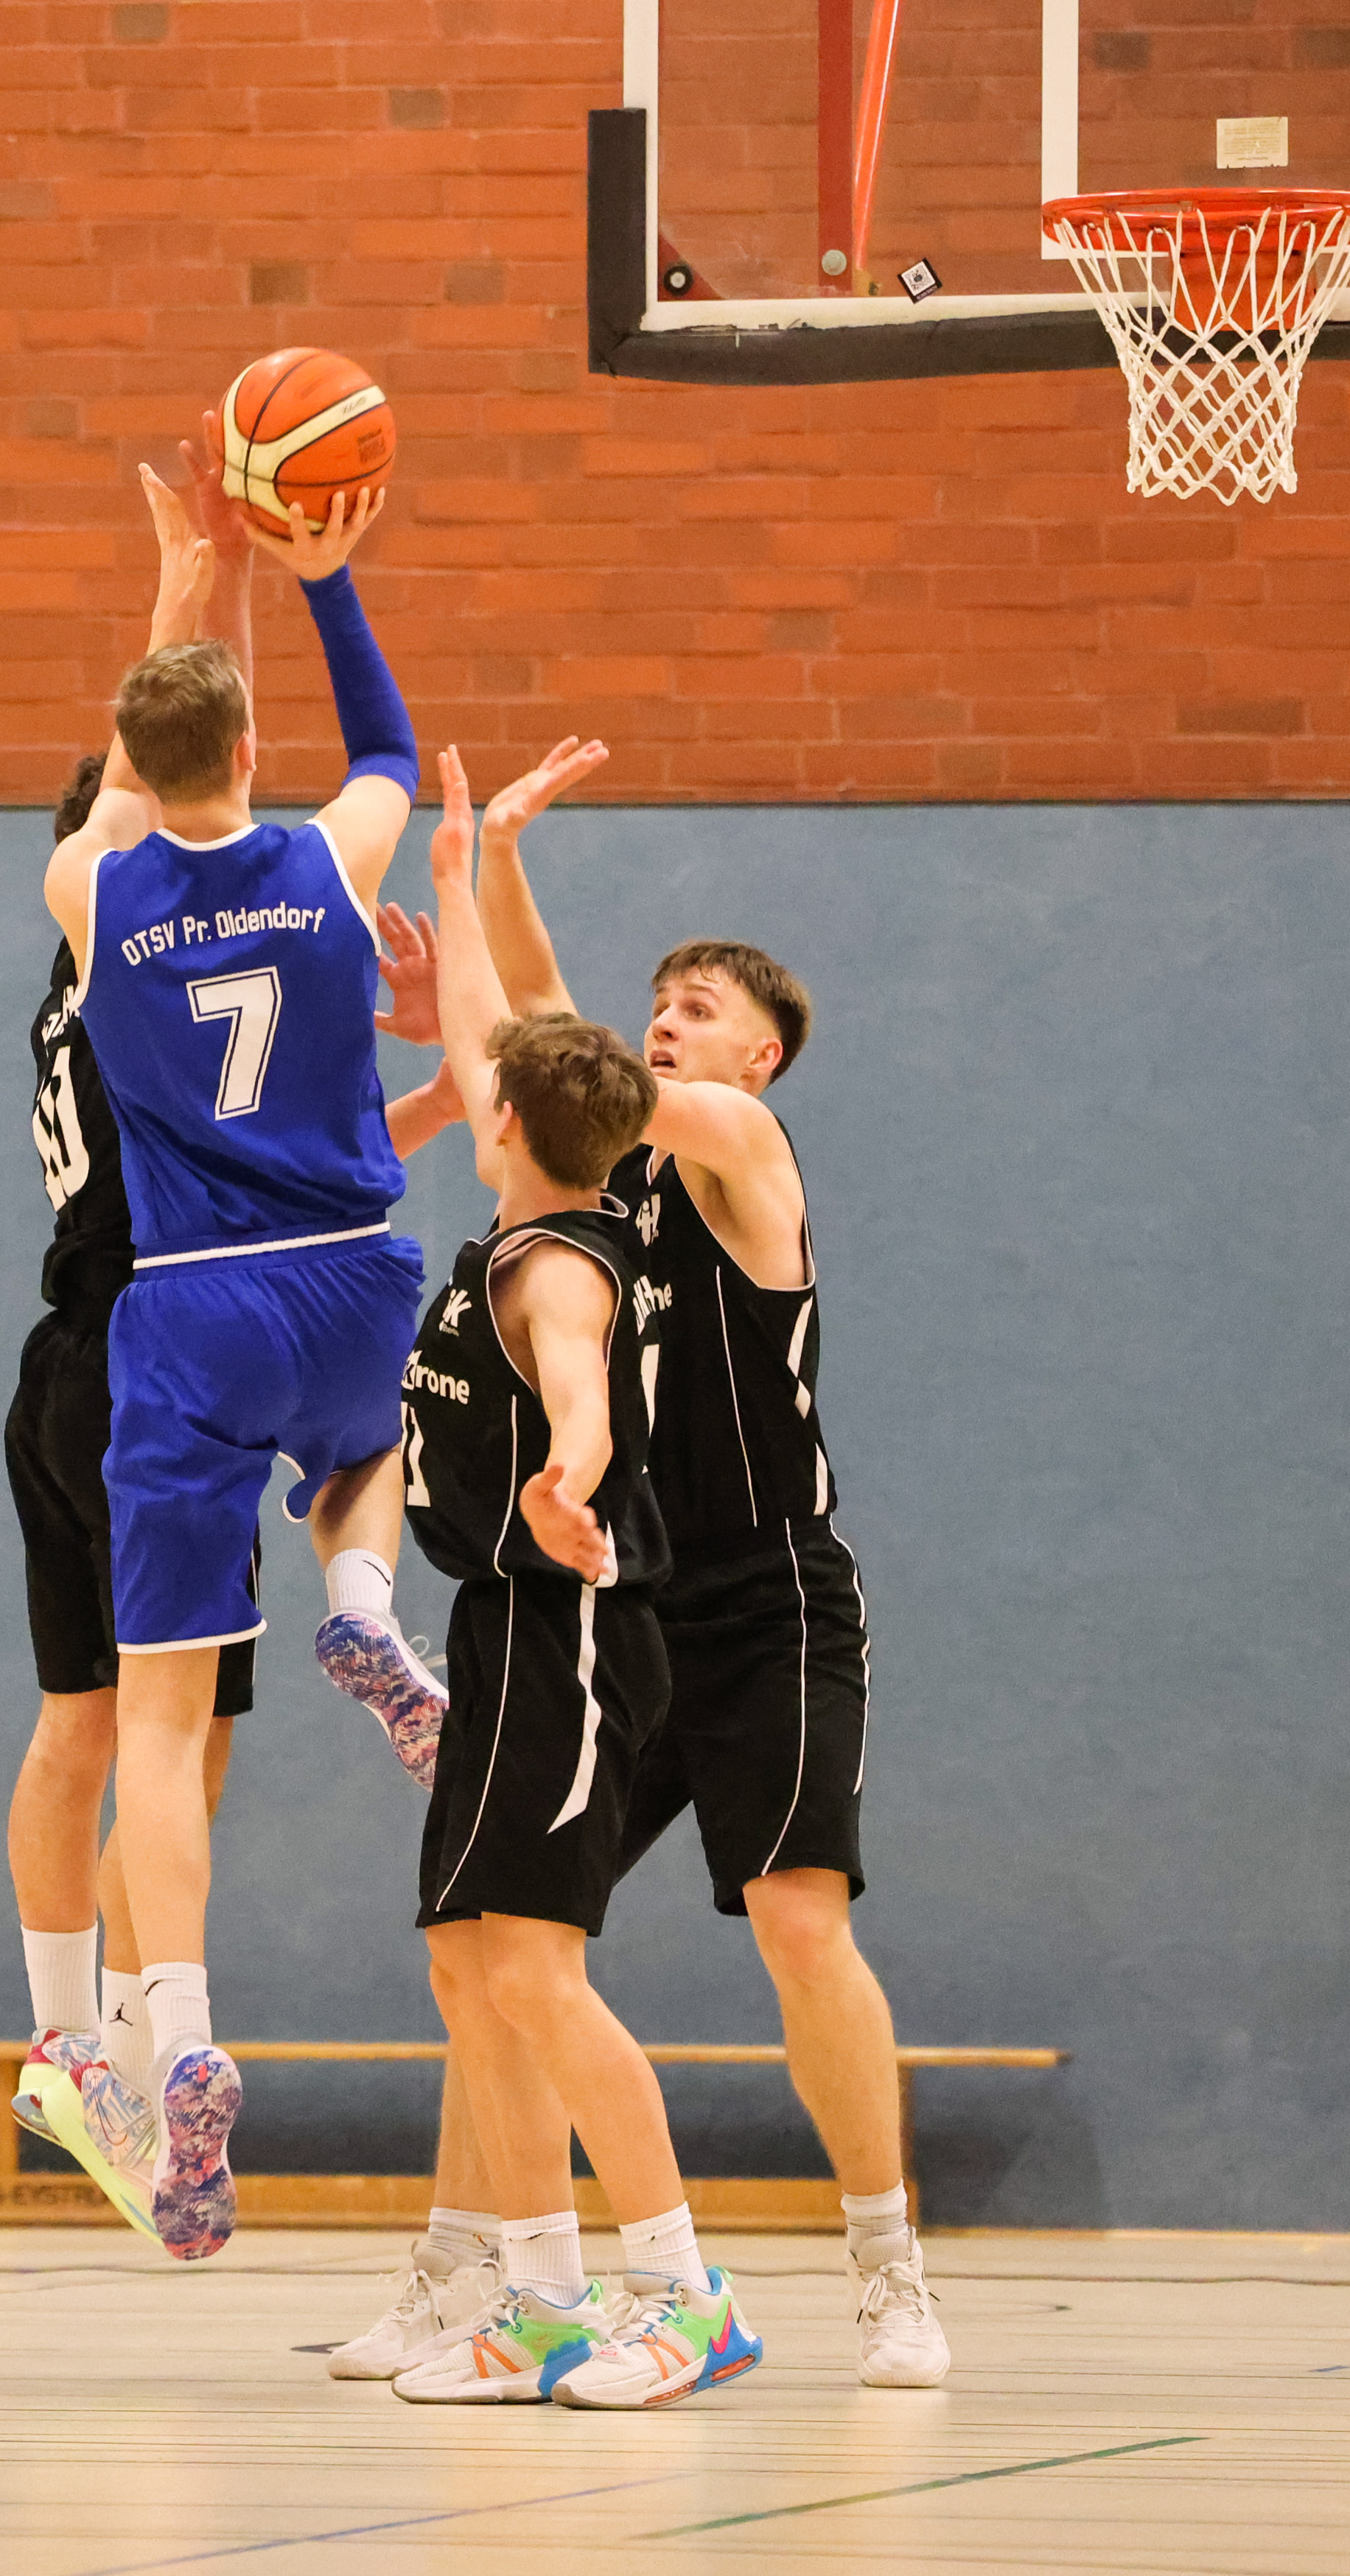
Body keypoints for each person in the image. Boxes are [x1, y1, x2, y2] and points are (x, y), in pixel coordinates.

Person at [468, 739, 951, 2388]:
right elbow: (553, 1045)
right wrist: (496, 861)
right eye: (657, 1002)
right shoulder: (616, 1177)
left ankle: (887, 2266)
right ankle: (483, 2274)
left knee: (798, 1924)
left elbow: (559, 1055)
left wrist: (506, 991)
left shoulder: (743, 1149)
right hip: (633, 1602)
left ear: (762, 1052)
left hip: (771, 1595)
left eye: (696, 1007)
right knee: (508, 1935)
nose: (665, 1021)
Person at [40, 458, 420, 2261]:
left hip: (190, 1307)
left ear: (132, 760)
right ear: (253, 753)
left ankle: (179, 2032)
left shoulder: (90, 887)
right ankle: (363, 1594)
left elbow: (128, 788)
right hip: (347, 1273)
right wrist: (322, 576)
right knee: (371, 1449)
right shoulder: (334, 858)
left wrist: (177, 598)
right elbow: (390, 751)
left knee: (162, 1725)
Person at [372, 748, 760, 2411]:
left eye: (487, 1090)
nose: (471, 1089)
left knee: (534, 1968)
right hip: (504, 1620)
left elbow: (585, 1393)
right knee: (470, 1969)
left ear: (510, 1128)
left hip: (578, 1626)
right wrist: (456, 875)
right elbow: (484, 1029)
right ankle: (535, 2302)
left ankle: (683, 2290)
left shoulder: (556, 1267)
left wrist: (567, 1476)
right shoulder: (538, 1199)